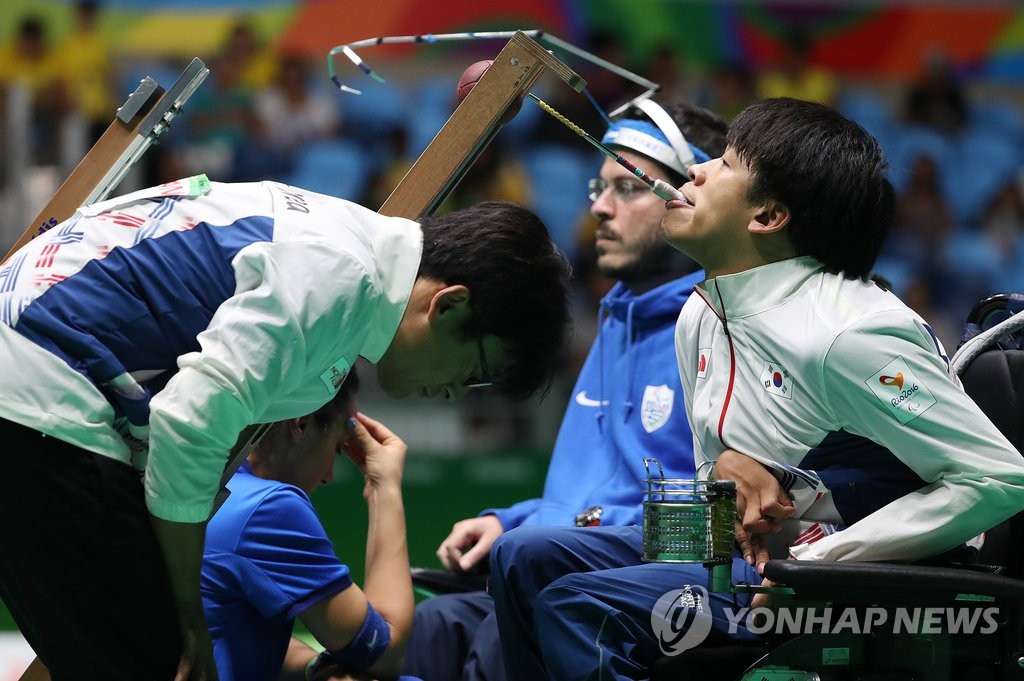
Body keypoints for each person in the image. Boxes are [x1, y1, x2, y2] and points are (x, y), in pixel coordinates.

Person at [487, 97, 1024, 680]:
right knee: (524, 555)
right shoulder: (702, 314)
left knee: (581, 608)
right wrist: (717, 483)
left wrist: (817, 566)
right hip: (744, 559)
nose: (696, 171)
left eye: (724, 164)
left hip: (838, 589)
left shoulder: (849, 333)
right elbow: (714, 497)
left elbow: (997, 477)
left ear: (767, 216)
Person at [0, 175, 571, 680]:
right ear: (448, 306)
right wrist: (188, 615)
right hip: (41, 398)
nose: (450, 394)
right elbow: (187, 425)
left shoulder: (342, 243)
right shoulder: (339, 278)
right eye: (474, 374)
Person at [402, 99, 729, 681]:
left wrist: (556, 534)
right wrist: (514, 516)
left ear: (691, 197)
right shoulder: (614, 320)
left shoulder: (720, 328)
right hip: (563, 558)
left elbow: (717, 511)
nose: (600, 209)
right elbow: (600, 486)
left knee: (521, 572)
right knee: (436, 621)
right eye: (597, 188)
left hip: (658, 569)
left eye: (628, 189)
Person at [202, 369, 416, 681]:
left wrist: (316, 667)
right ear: (301, 423)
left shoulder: (203, 478)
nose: (328, 475)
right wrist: (383, 486)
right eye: (339, 447)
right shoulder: (267, 507)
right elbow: (383, 650)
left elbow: (228, 629)